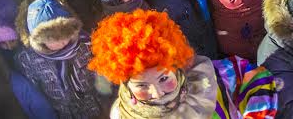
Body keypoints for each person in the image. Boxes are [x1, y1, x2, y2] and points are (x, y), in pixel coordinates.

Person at [89, 9, 278, 118]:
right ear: (126, 84)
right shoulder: (122, 115)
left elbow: (255, 76)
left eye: (163, 78)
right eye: (142, 86)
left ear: (176, 65)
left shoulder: (207, 78)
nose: (157, 93)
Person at [15, 0, 107, 118]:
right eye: (53, 39)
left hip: (93, 104)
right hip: (62, 111)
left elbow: (101, 73)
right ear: (39, 40)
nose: (62, 42)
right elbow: (35, 90)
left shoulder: (86, 43)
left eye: (66, 35)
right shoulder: (28, 59)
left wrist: (106, 99)